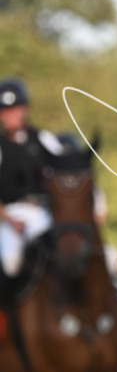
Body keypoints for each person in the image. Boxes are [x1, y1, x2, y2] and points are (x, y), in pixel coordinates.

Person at [0, 77, 63, 294]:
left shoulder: (43, 139)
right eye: (5, 111)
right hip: (10, 215)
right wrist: (9, 220)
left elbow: (65, 172)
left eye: (15, 110)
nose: (10, 115)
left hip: (45, 212)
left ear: (25, 109)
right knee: (11, 261)